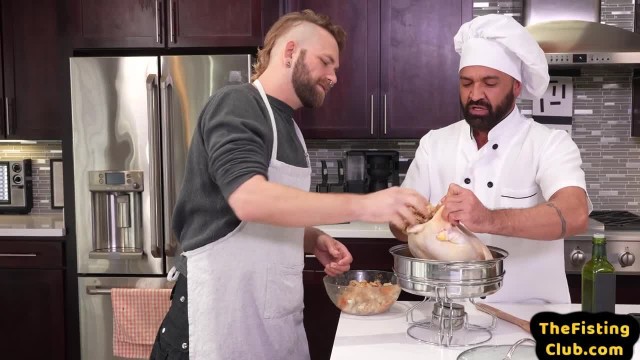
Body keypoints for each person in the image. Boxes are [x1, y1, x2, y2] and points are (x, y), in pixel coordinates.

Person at [150, 9, 430, 360]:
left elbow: (260, 219)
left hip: (270, 323)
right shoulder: (238, 102)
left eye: (336, 69)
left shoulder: (292, 129)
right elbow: (249, 200)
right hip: (217, 320)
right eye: (326, 63)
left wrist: (311, 238)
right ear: (290, 52)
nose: (333, 77)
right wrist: (367, 203)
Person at [390, 14, 591, 304]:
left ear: (516, 86)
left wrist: (488, 219)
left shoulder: (549, 144)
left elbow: (575, 214)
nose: (475, 94)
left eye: (490, 83)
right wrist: (408, 217)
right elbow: (398, 229)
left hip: (527, 317)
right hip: (447, 317)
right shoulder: (434, 144)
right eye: (466, 83)